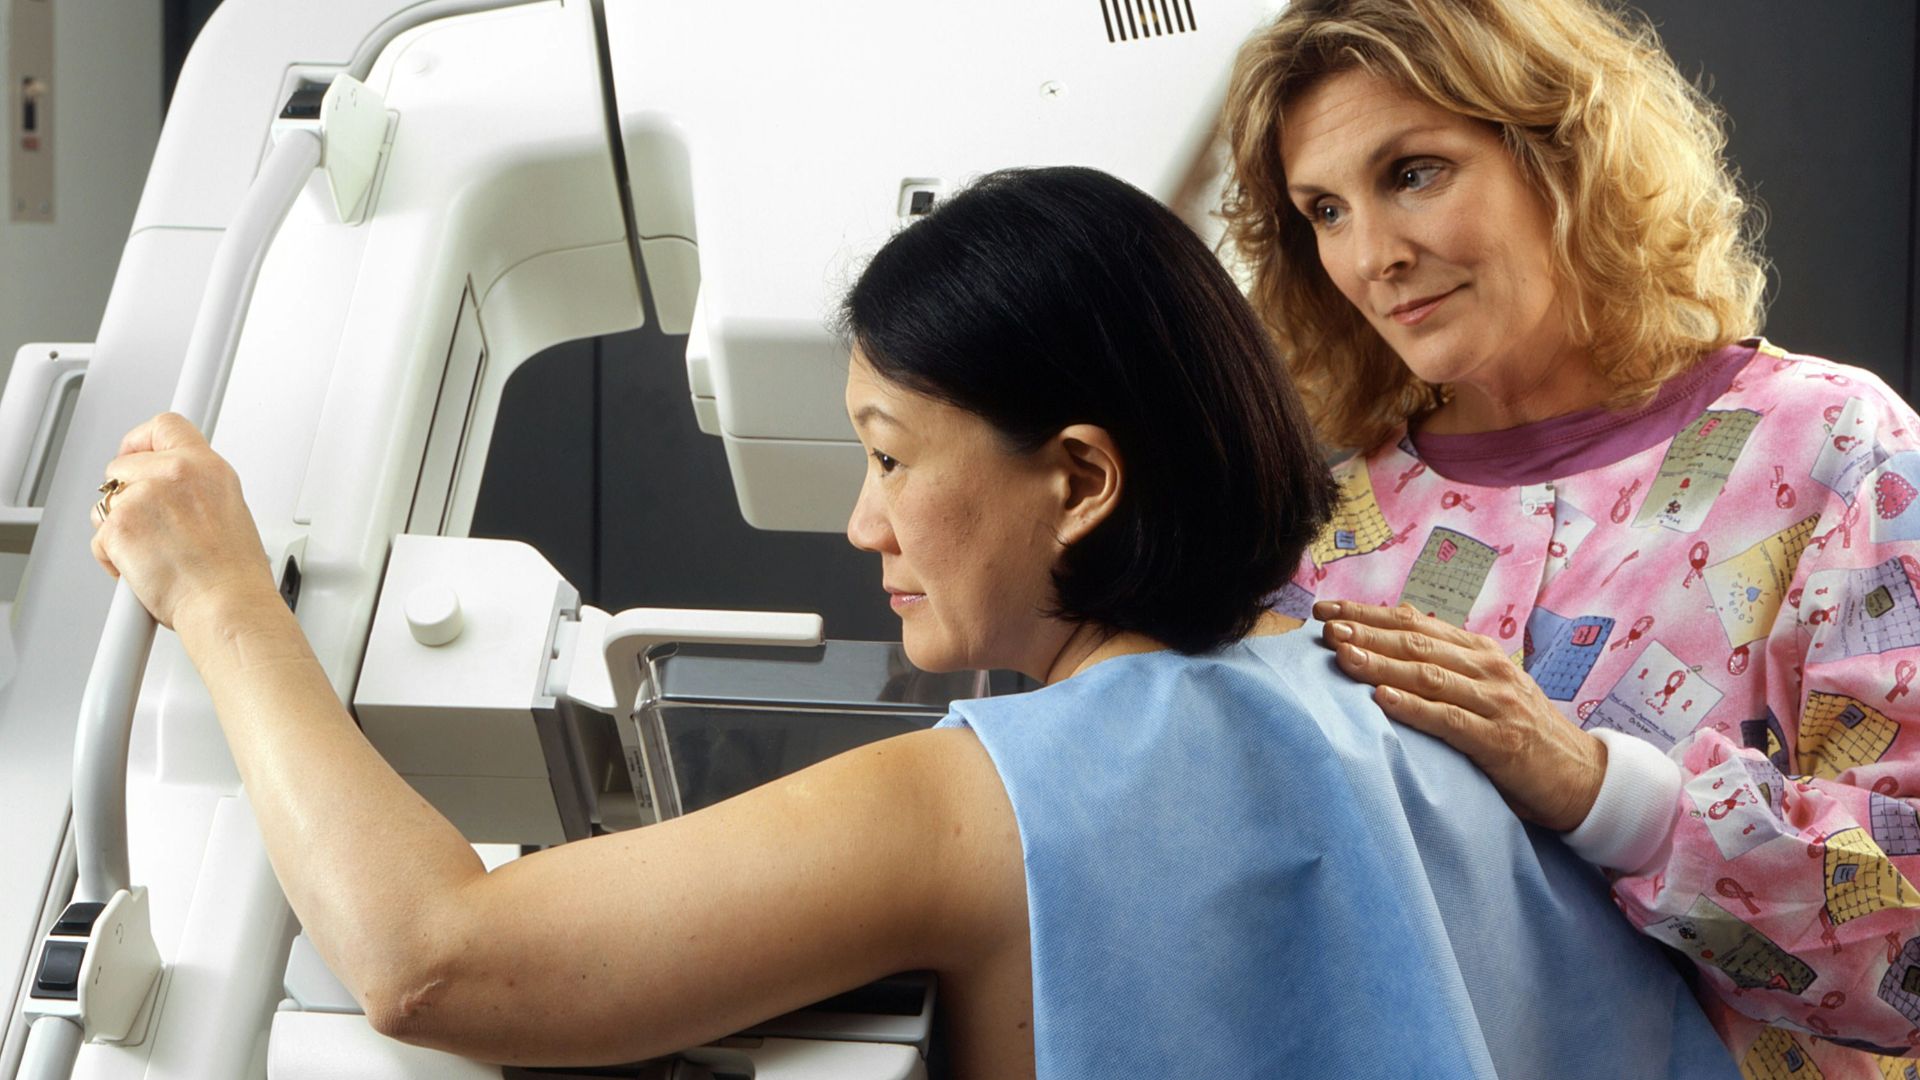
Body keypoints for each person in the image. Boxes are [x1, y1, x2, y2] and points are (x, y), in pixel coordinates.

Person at [89, 167, 1732, 1078]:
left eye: (888, 456)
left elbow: (434, 963)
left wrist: (220, 593)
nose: (863, 521)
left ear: (1079, 478)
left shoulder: (992, 799)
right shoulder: (1417, 723)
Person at [1221, 0, 1920, 1074]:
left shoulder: (1836, 448)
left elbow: (1909, 946)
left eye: (1413, 172)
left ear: (1564, 154)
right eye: (1324, 210)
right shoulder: (1324, 533)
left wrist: (1603, 791)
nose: (1373, 257)